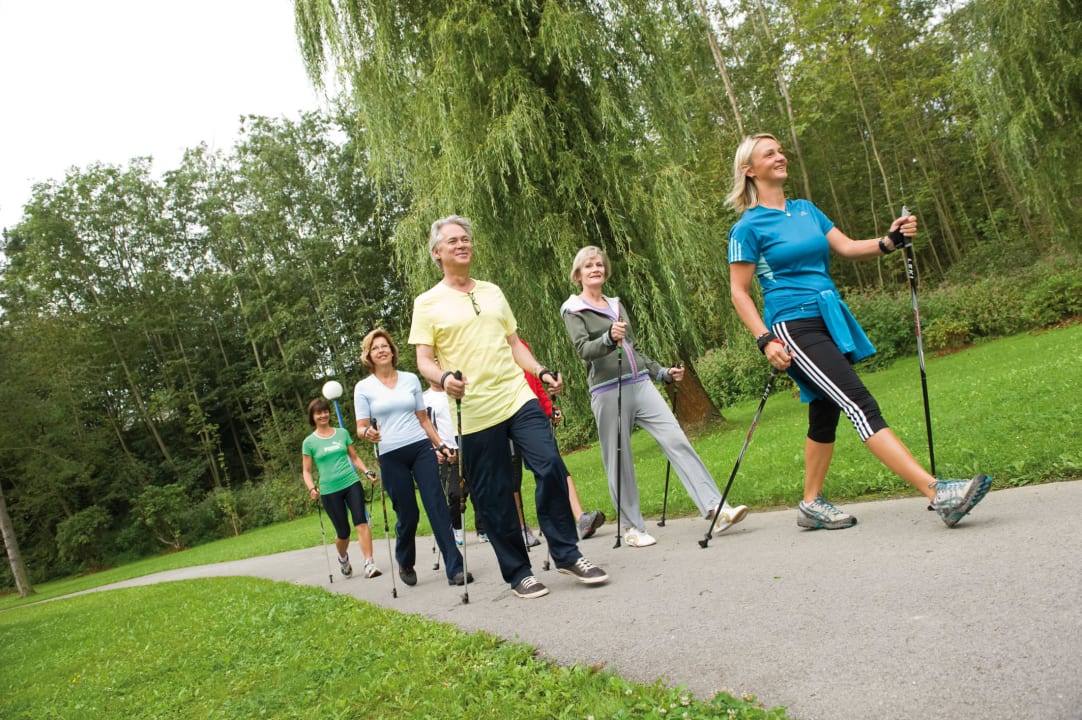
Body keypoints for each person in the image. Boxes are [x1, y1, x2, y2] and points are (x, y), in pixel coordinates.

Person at [725, 132, 992, 529]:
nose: (781, 156)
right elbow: (739, 292)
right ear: (749, 170)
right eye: (770, 153)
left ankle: (811, 503)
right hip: (792, 324)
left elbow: (847, 247)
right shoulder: (747, 228)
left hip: (827, 316)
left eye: (781, 150)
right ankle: (938, 492)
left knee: (826, 408)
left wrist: (891, 241)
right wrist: (765, 340)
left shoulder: (806, 210)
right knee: (858, 402)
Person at [409, 214, 609, 599]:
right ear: (437, 253)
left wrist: (540, 370)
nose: (462, 244)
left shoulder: (492, 291)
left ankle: (567, 553)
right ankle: (518, 573)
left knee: (550, 465)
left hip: (517, 395)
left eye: (466, 238)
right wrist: (444, 379)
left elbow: (514, 343)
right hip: (475, 411)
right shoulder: (427, 303)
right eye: (453, 241)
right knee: (495, 494)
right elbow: (423, 359)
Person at [561, 246, 749, 547]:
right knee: (619, 460)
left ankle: (716, 508)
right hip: (608, 391)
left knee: (676, 439)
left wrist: (661, 373)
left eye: (599, 264)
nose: (595, 269)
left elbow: (633, 349)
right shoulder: (573, 309)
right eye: (588, 266)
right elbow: (584, 349)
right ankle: (632, 528)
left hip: (640, 384)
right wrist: (608, 337)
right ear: (578, 274)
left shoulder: (615, 305)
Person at [353, 328, 472, 586]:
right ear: (369, 355)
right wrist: (367, 432)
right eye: (375, 348)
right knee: (408, 514)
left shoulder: (410, 380)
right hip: (390, 455)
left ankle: (455, 567)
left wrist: (440, 445)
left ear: (392, 350)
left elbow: (423, 419)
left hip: (420, 448)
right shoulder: (363, 388)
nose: (381, 350)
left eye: (385, 346)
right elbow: (360, 427)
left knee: (437, 505)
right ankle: (405, 559)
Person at [516, 339, 606, 541]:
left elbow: (535, 384)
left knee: (555, 463)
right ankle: (520, 527)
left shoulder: (521, 344)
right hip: (504, 416)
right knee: (511, 476)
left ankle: (581, 518)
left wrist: (549, 408)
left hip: (532, 417)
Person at [301, 397, 382, 579]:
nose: (323, 415)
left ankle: (369, 563)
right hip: (329, 490)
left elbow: (354, 457)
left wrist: (366, 471)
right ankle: (343, 558)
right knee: (343, 533)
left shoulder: (342, 433)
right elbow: (306, 471)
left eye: (325, 411)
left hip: (351, 482)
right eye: (318, 413)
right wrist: (311, 488)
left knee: (361, 522)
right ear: (313, 417)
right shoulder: (309, 442)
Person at [422, 379, 486, 545]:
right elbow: (424, 426)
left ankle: (483, 529)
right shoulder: (425, 398)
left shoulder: (456, 391)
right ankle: (456, 528)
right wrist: (435, 448)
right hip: (446, 449)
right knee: (455, 493)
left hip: (467, 443)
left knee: (478, 488)